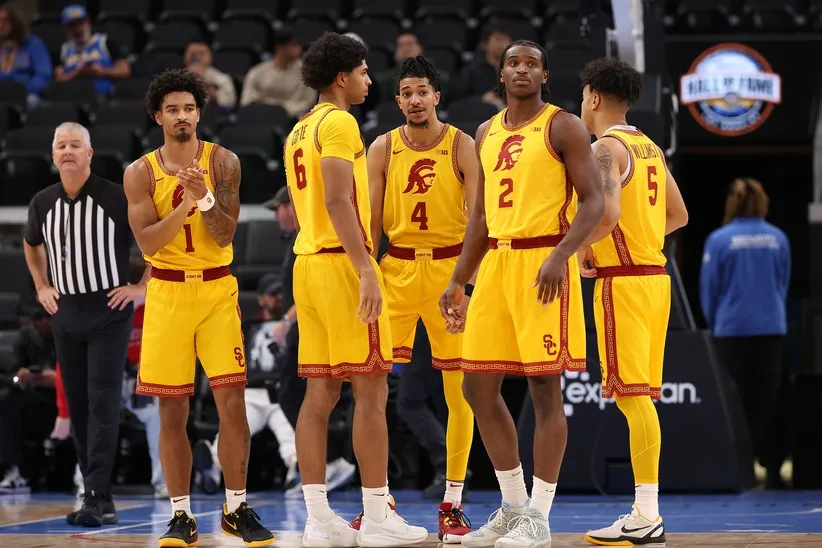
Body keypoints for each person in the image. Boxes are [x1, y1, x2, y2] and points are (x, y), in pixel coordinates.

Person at [439, 40, 606, 547]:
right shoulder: (485, 132)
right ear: (501, 73)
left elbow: (595, 203)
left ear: (544, 74)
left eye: (531, 63)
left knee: (543, 389)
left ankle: (539, 515)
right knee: (476, 388)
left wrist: (562, 256)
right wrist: (459, 279)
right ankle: (513, 507)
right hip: (496, 265)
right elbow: (483, 218)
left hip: (544, 261)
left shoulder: (563, 125)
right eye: (514, 62)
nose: (522, 69)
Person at [283, 32, 427, 547]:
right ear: (342, 77)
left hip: (308, 266)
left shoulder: (300, 129)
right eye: (365, 72)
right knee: (371, 386)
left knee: (319, 393)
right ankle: (376, 513)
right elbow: (340, 201)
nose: (370, 79)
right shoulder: (340, 122)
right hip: (344, 265)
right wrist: (367, 268)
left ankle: (318, 518)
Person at [123, 68, 273, 547]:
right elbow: (147, 243)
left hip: (216, 291)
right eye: (172, 109)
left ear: (199, 113)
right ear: (158, 116)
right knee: (173, 412)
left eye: (189, 108)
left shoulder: (224, 161)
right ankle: (181, 515)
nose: (182, 116)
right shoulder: (139, 173)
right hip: (167, 292)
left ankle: (236, 506)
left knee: (233, 403)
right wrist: (183, 207)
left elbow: (226, 233)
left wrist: (204, 197)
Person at [573, 58, 688, 546]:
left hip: (623, 283)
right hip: (654, 276)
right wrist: (637, 241)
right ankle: (646, 509)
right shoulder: (650, 147)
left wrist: (580, 249)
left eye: (582, 96)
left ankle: (646, 510)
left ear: (594, 97)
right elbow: (678, 215)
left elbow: (608, 212)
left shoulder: (605, 149)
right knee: (636, 396)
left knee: (631, 397)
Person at [366, 55, 476, 543]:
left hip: (450, 271)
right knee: (369, 385)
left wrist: (467, 283)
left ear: (437, 96)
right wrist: (365, 272)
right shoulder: (383, 147)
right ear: (398, 100)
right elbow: (369, 223)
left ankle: (452, 500)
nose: (414, 100)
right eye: (406, 92)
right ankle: (379, 501)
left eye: (422, 91)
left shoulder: (462, 145)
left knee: (459, 392)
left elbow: (481, 220)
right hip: (396, 270)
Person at [23, 122, 144, 527]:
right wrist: (42, 285)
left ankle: (97, 495)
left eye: (76, 144)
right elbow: (30, 242)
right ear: (53, 155)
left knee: (102, 401)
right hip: (65, 313)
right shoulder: (42, 201)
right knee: (77, 407)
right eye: (62, 145)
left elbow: (155, 242)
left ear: (90, 154)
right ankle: (95, 493)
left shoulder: (115, 196)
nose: (69, 150)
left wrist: (140, 288)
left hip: (109, 311)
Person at [262, 187, 358, 499]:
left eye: (279, 207)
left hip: (307, 322)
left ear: (293, 206)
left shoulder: (314, 234)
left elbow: (310, 285)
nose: (276, 215)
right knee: (296, 394)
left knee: (297, 393)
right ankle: (323, 462)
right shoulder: (295, 239)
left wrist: (287, 320)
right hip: (302, 322)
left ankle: (331, 460)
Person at [699, 178, 788, 489]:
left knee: (732, 404)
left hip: (731, 331)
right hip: (770, 329)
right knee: (769, 402)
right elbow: (783, 283)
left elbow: (709, 289)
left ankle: (737, 469)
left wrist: (716, 322)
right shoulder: (778, 239)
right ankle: (773, 468)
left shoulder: (719, 241)